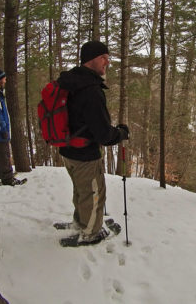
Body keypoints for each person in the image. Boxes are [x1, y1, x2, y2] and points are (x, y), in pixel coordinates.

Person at [57, 40, 129, 244]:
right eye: (103, 57)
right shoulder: (91, 90)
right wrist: (121, 133)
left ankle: (80, 222)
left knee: (82, 190)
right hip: (85, 154)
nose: (107, 61)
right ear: (90, 60)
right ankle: (91, 233)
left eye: (108, 57)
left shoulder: (71, 81)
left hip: (68, 149)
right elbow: (104, 135)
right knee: (94, 195)